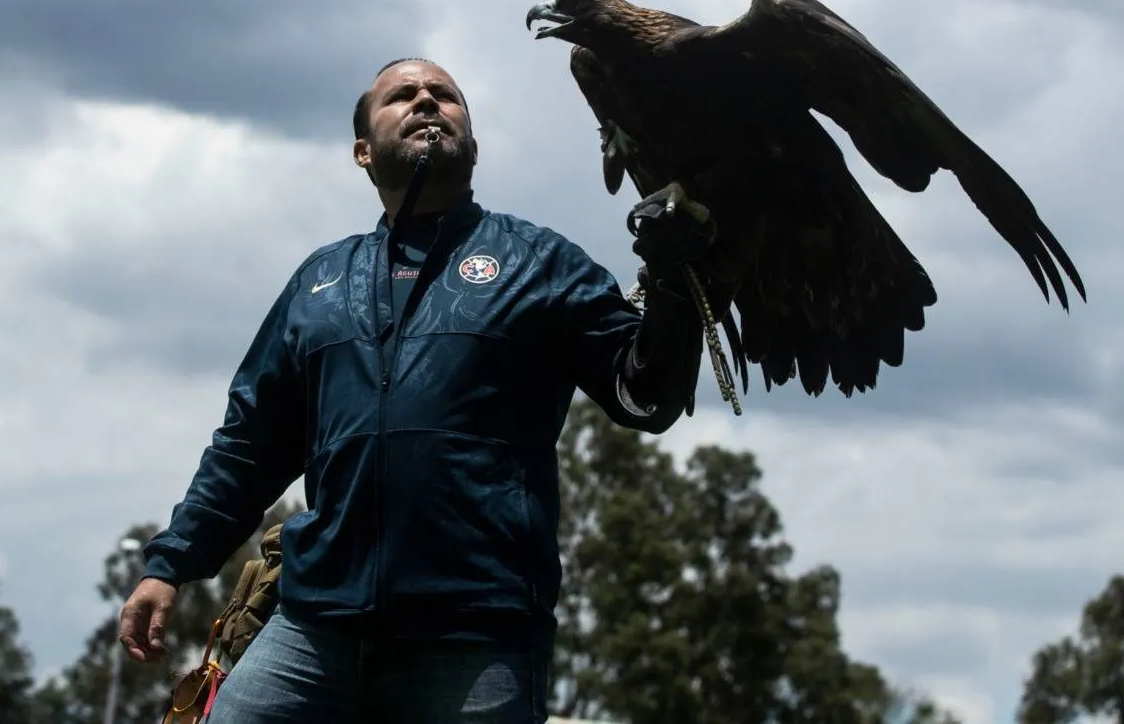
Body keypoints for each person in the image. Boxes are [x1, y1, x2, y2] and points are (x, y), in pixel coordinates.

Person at [118, 58, 711, 722]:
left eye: (445, 96)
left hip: (475, 636)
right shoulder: (321, 282)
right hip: (315, 629)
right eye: (403, 95)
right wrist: (169, 563)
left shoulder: (538, 262)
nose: (427, 101)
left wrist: (672, 279)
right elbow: (249, 444)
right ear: (364, 152)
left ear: (474, 147)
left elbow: (645, 395)